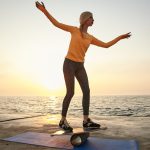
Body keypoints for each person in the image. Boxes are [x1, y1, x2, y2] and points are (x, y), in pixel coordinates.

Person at [35, 1, 131, 131]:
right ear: (85, 19)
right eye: (91, 17)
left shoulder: (90, 38)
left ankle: (86, 121)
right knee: (70, 92)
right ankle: (62, 120)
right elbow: (56, 23)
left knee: (86, 91)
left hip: (80, 66)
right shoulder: (74, 30)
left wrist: (120, 37)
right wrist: (44, 10)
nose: (93, 20)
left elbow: (106, 45)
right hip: (68, 64)